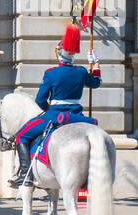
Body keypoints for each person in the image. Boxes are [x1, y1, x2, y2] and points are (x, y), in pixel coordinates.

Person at [11, 23, 101, 187]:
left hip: (54, 114)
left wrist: (47, 110)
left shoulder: (51, 73)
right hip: (76, 116)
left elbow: (39, 100)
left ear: (59, 55)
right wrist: (95, 65)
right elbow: (96, 83)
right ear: (73, 54)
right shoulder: (81, 71)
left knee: (21, 136)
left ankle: (26, 175)